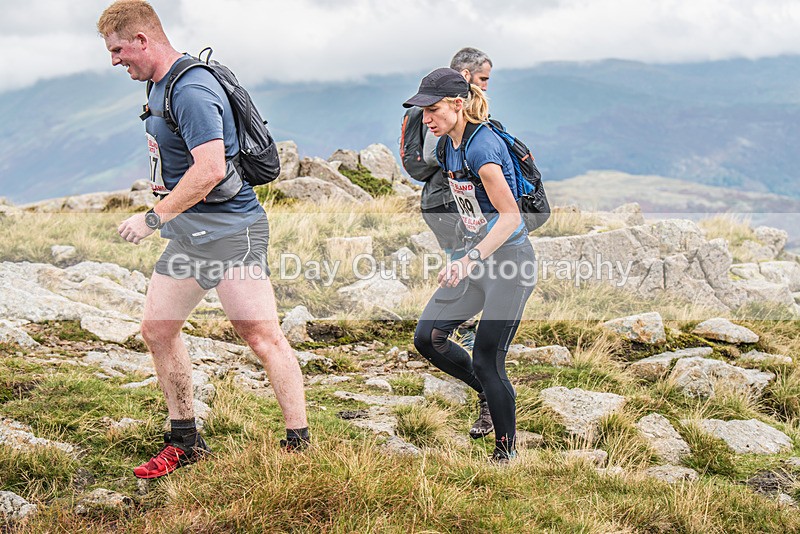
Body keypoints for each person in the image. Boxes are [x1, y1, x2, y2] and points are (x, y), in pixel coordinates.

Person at [97, 0, 308, 479]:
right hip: (190, 237)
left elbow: (211, 168)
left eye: (118, 50)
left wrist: (153, 218)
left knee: (260, 335)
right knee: (157, 329)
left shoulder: (190, 89)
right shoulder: (157, 84)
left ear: (142, 40)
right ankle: (185, 442)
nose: (115, 61)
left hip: (233, 233)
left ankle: (299, 446)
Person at [405, 68, 536, 463]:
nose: (426, 118)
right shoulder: (447, 146)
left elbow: (511, 217)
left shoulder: (483, 149)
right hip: (473, 259)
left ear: (458, 104)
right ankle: (487, 391)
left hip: (509, 264)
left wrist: (471, 258)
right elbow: (469, 209)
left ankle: (505, 453)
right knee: (428, 336)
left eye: (433, 109)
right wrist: (461, 254)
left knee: (486, 358)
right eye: (422, 110)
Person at [418, 48, 493, 350]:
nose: (486, 84)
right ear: (465, 75)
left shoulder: (475, 128)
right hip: (442, 203)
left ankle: (465, 328)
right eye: (483, 78)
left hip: (447, 202)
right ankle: (463, 329)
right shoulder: (445, 118)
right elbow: (427, 154)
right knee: (462, 262)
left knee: (467, 261)